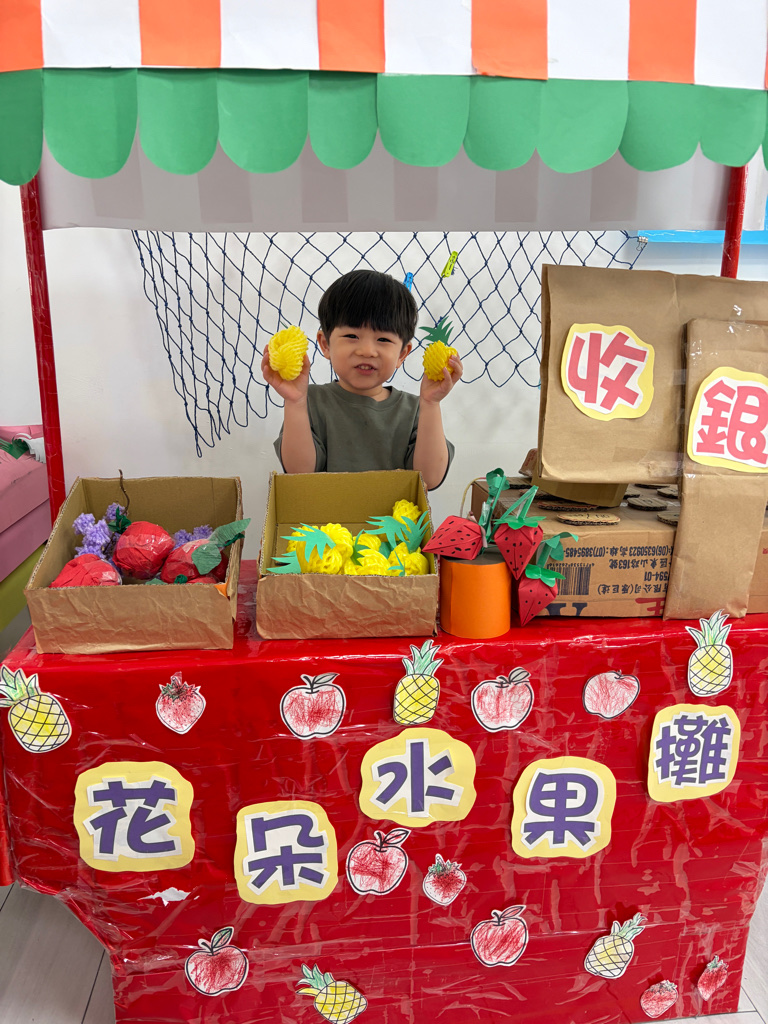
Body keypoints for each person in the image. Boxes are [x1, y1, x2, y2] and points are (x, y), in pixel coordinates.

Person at [262, 269, 462, 490]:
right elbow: (300, 474)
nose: (367, 351)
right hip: (327, 514)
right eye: (352, 336)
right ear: (325, 344)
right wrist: (294, 402)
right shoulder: (309, 402)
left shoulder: (416, 410)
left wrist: (431, 404)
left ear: (402, 354)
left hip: (397, 514)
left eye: (383, 339)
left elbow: (429, 479)